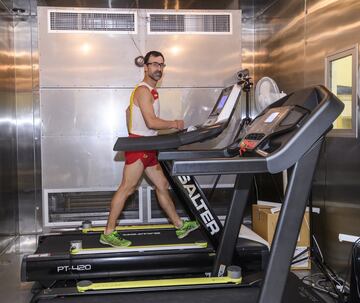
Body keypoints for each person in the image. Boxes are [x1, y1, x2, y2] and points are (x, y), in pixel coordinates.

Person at [100, 51, 200, 247]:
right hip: (140, 147)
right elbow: (151, 122)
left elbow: (128, 111)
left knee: (162, 185)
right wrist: (175, 123)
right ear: (145, 67)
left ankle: (179, 225)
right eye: (154, 64)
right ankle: (108, 232)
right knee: (127, 188)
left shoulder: (148, 91)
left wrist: (134, 129)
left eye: (161, 65)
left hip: (148, 146)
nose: (158, 68)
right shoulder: (144, 90)